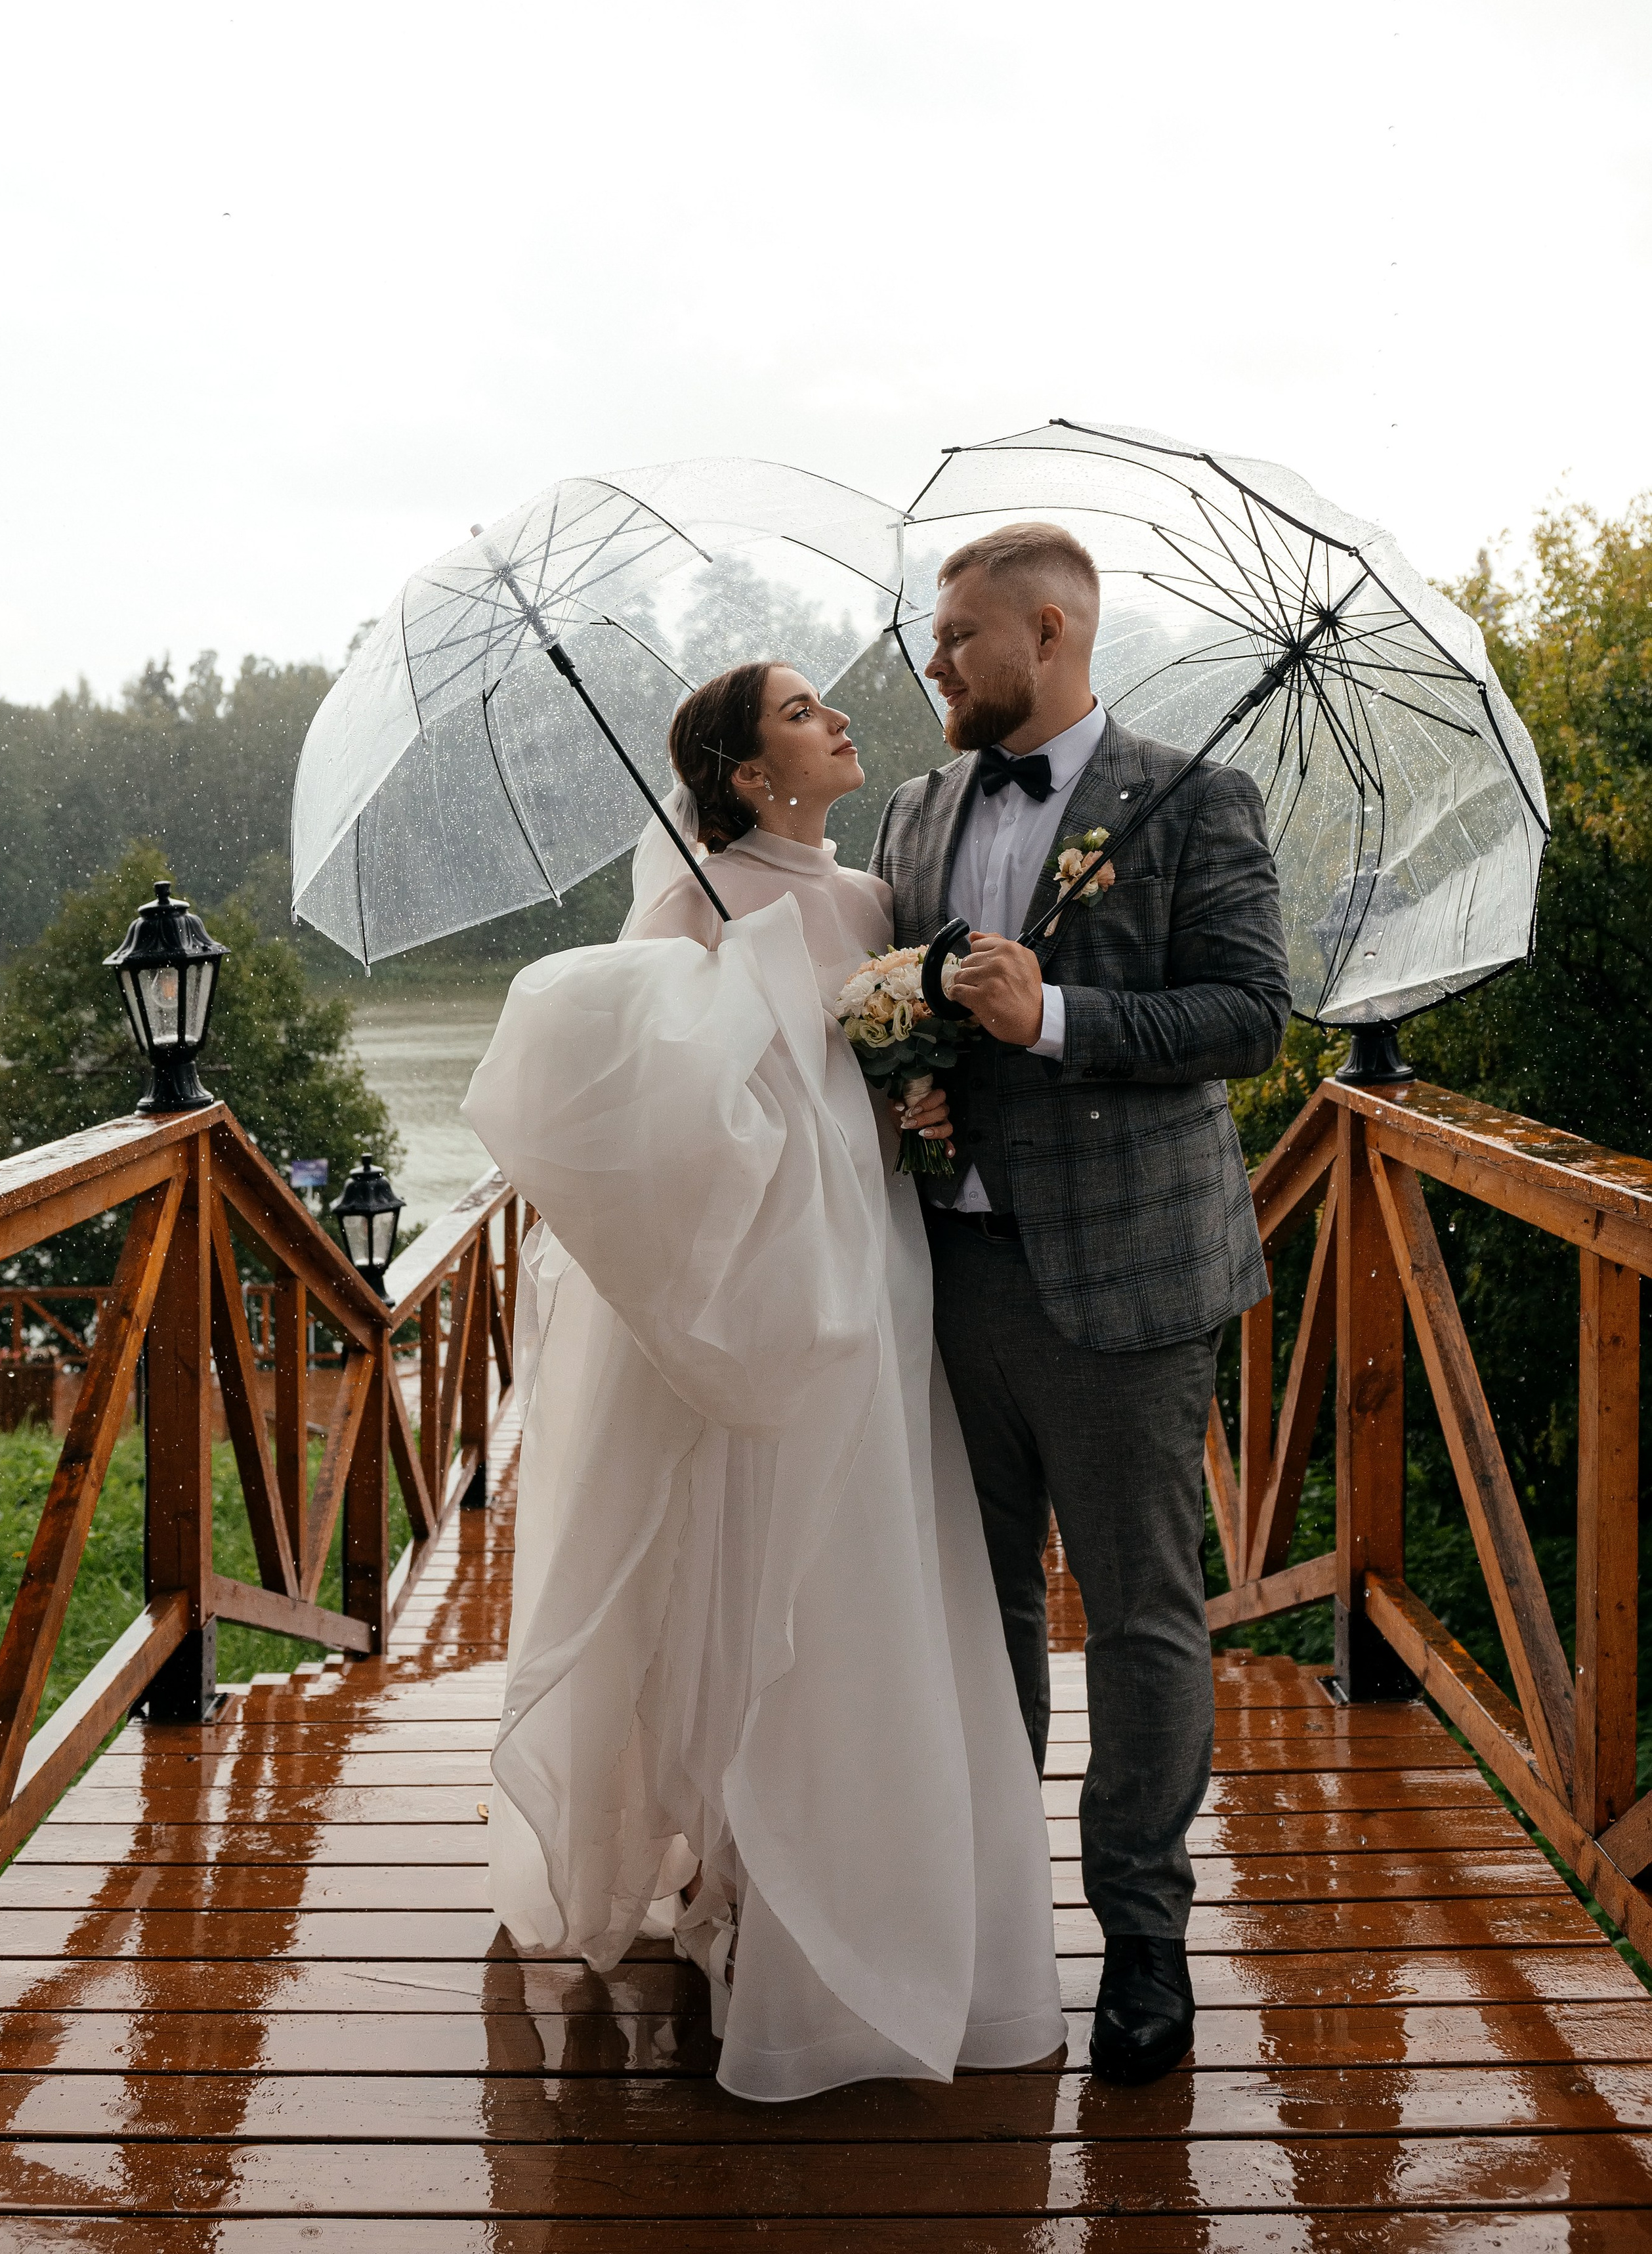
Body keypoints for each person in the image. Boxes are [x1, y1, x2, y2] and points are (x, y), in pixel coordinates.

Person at [462, 659, 1066, 2102]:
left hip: (886, 1274)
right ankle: (741, 1881)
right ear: (744, 773)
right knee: (758, 1578)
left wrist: (909, 1091)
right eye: (801, 712)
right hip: (765, 1299)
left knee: (871, 1571)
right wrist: (752, 1070)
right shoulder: (688, 900)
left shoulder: (871, 900)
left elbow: (874, 1070)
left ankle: (867, 1888)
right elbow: (628, 1129)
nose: (837, 720)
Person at [871, 521, 1290, 2085]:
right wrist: (910, 1081)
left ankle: (1143, 1941)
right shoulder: (913, 810)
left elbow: (1247, 1013)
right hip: (948, 1276)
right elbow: (893, 1011)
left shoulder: (1194, 797)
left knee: (1138, 1617)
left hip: (1131, 1282)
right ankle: (993, 1924)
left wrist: (1052, 1014)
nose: (931, 662)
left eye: (957, 637)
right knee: (972, 1617)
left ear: (1046, 635)